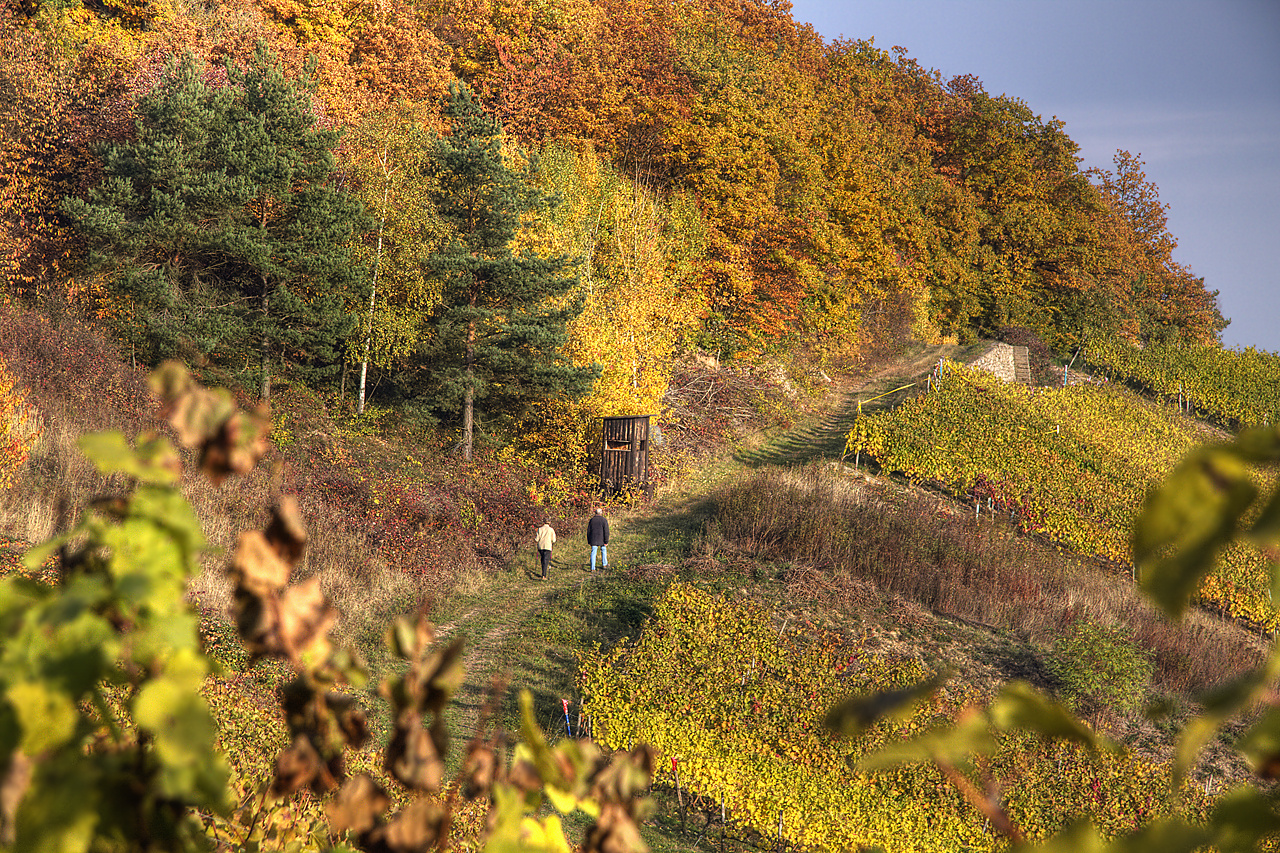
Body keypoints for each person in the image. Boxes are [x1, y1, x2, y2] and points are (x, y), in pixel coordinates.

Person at [586, 507, 609, 571]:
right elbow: (606, 531)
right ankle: (604, 564)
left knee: (593, 553)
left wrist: (589, 541)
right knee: (603, 551)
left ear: (595, 513)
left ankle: (592, 568)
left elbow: (588, 531)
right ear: (601, 513)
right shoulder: (604, 520)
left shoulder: (591, 520)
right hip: (602, 539)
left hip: (593, 539)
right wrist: (606, 541)